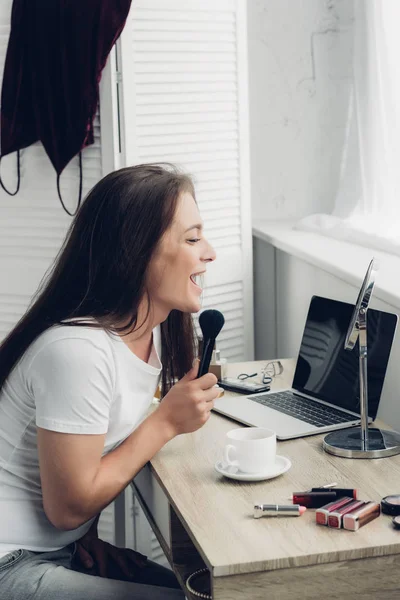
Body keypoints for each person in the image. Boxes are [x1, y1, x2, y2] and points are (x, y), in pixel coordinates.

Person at [0, 163, 219, 599]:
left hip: (59, 550)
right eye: (192, 239)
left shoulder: (144, 335)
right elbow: (66, 507)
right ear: (137, 252)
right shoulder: (78, 351)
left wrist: (85, 539)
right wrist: (164, 422)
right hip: (10, 561)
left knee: (219, 591)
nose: (209, 252)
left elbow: (92, 449)